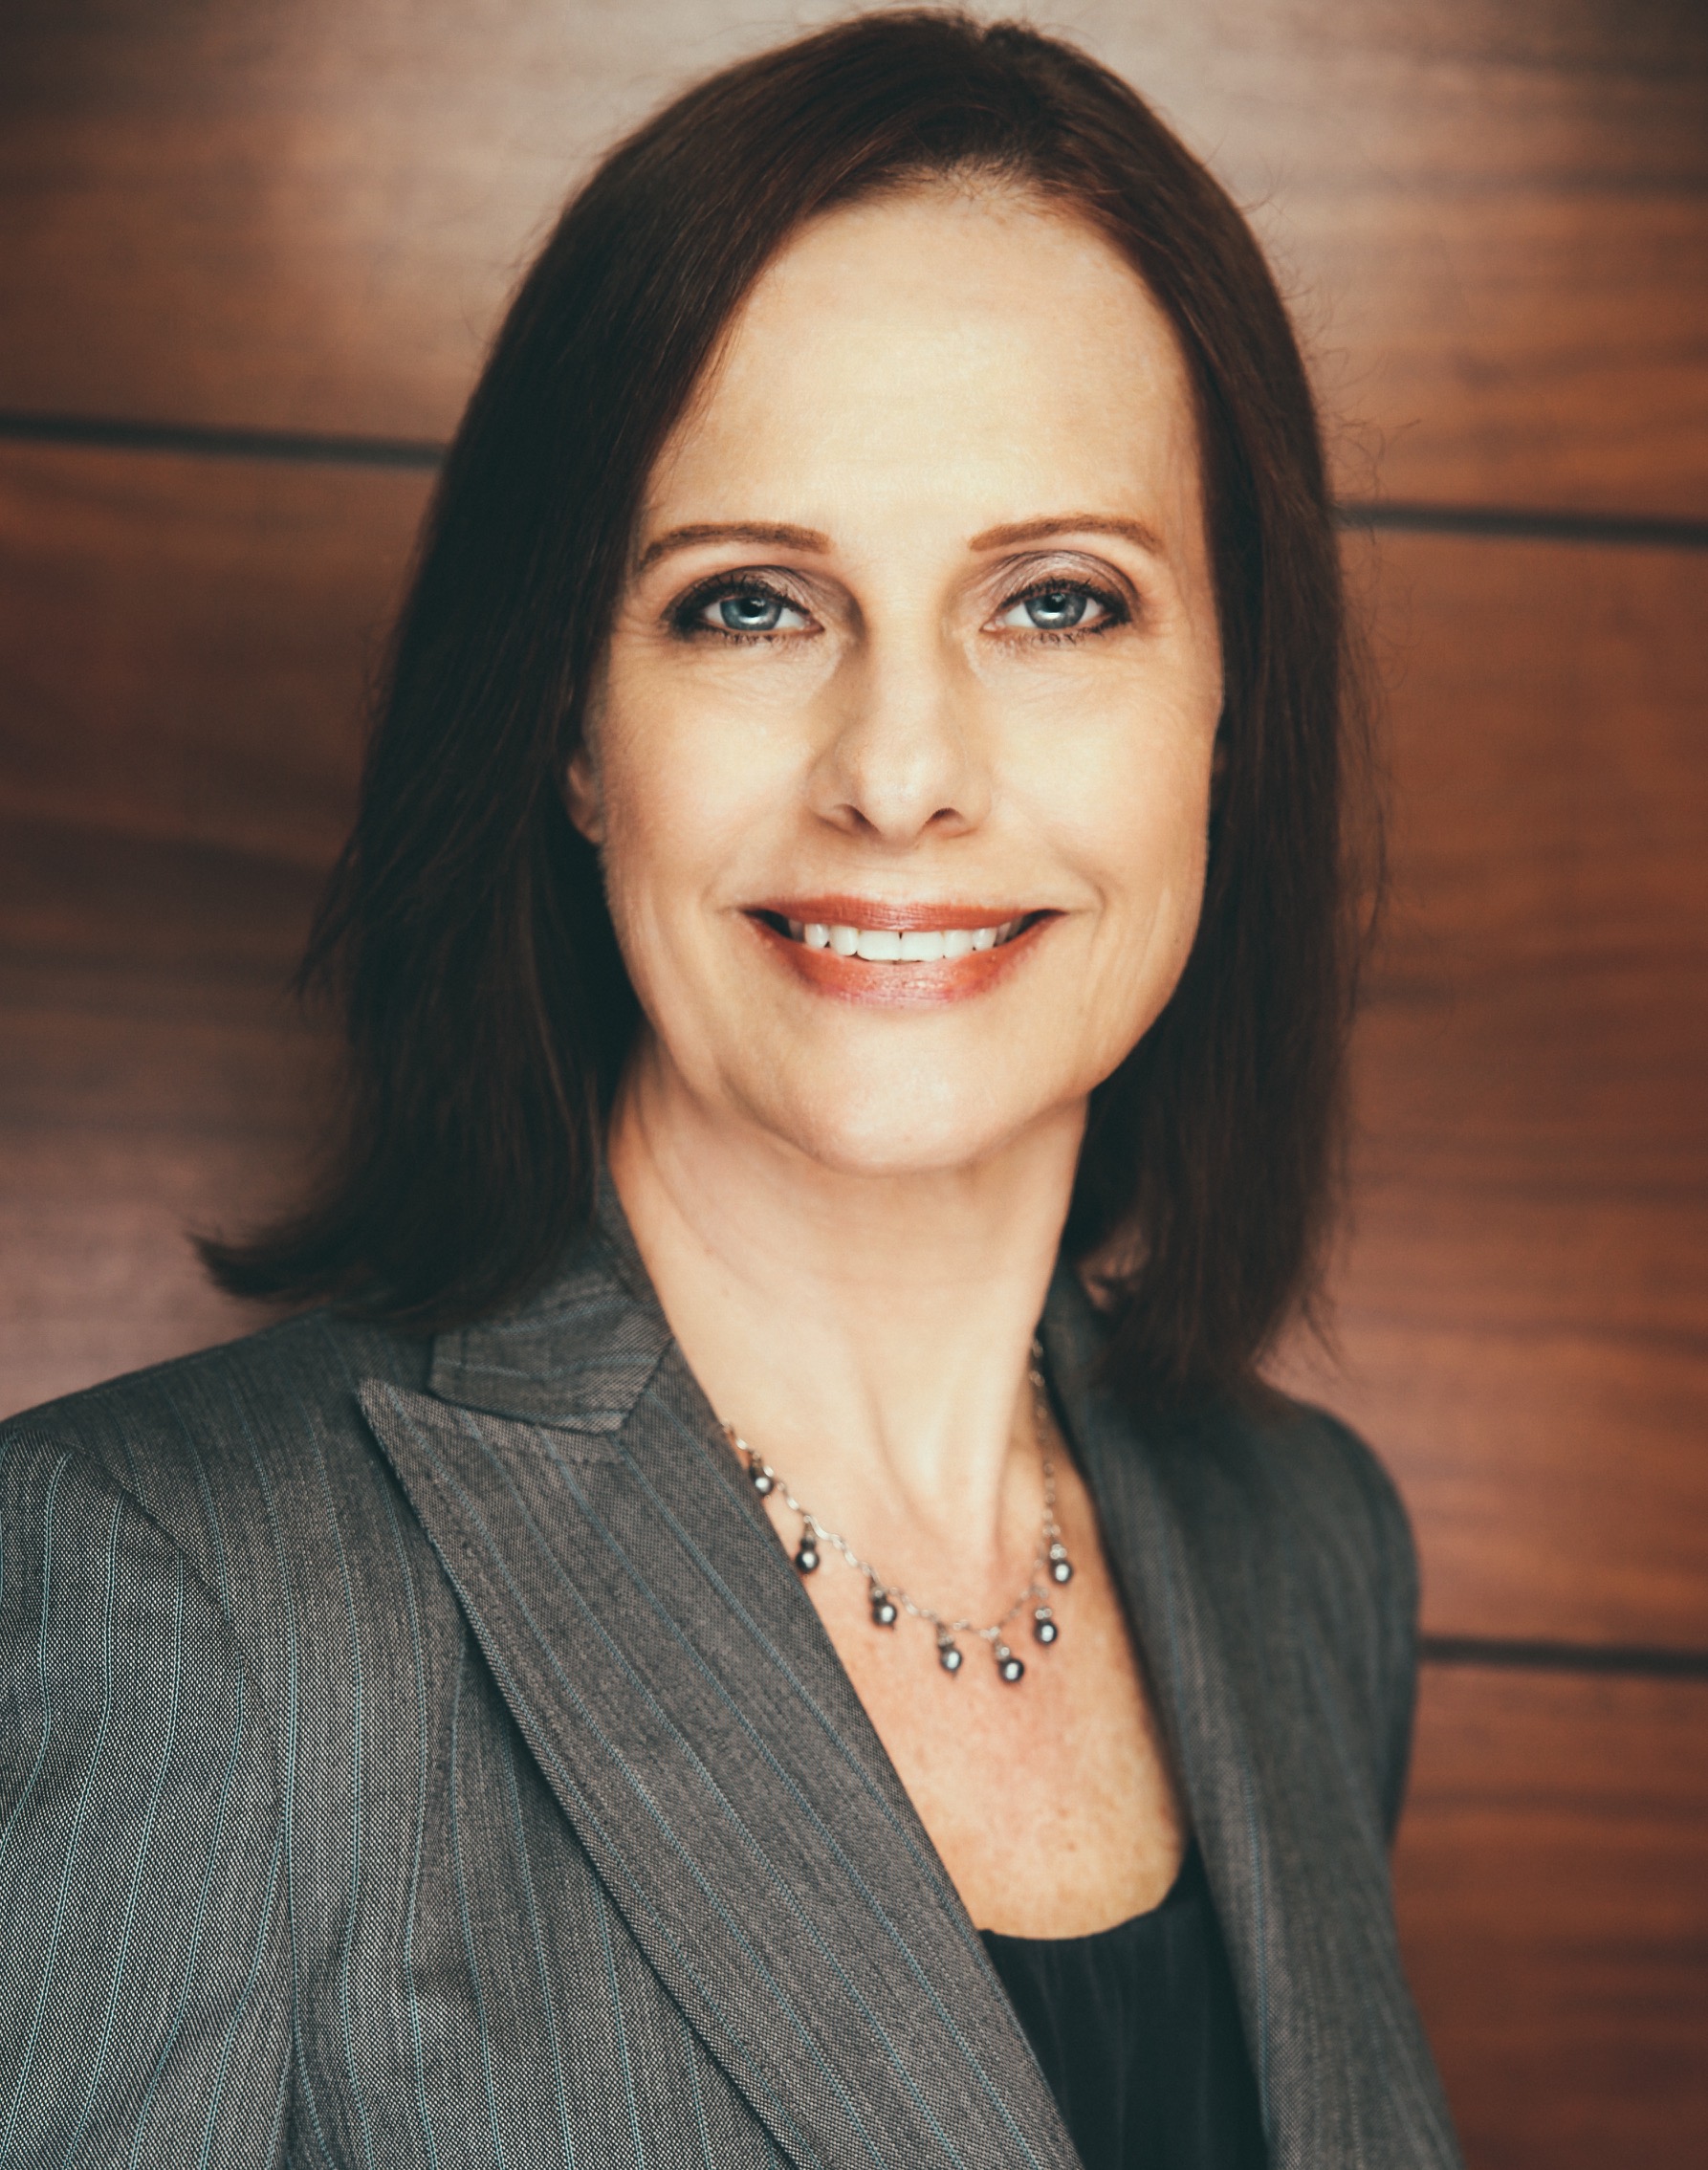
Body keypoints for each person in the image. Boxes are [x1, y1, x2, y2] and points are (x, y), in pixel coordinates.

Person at [0, 12, 1464, 2166]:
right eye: (748, 604)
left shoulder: (1304, 1550)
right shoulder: (177, 1593)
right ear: (574, 733)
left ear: (1224, 713)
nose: (895, 774)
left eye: (1057, 600)